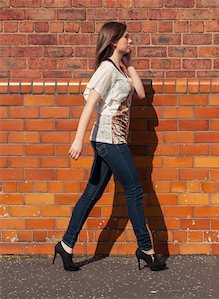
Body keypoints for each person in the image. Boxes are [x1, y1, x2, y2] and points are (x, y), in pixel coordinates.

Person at [52, 21, 166, 272]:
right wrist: (77, 139)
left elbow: (140, 93)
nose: (131, 41)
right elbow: (90, 103)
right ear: (114, 41)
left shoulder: (120, 67)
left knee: (92, 193)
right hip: (109, 140)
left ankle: (66, 245)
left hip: (110, 140)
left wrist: (131, 62)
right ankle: (146, 249)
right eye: (127, 38)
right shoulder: (106, 69)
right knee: (135, 190)